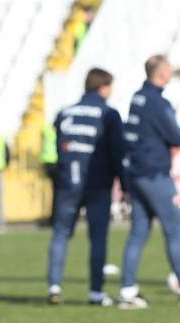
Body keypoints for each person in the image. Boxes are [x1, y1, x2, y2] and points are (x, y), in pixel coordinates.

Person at [118, 55, 180, 309]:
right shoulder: (158, 103)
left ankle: (127, 291)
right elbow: (176, 136)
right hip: (154, 173)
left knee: (138, 232)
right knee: (173, 229)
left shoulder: (137, 98)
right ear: (161, 72)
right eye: (169, 68)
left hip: (136, 173)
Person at [46, 67, 125, 307]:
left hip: (68, 182)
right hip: (98, 184)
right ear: (103, 87)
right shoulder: (109, 114)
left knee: (60, 233)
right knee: (98, 238)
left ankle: (54, 286)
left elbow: (57, 148)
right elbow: (117, 153)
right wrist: (124, 184)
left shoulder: (64, 113)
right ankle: (95, 292)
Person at [40, 115, 59, 226]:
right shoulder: (61, 131)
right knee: (58, 192)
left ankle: (52, 217)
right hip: (56, 163)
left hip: (47, 162)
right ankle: (55, 218)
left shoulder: (47, 130)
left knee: (53, 191)